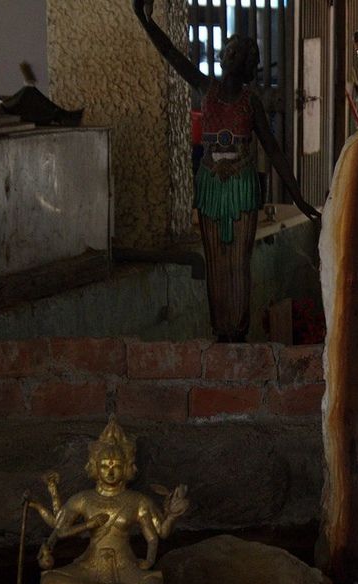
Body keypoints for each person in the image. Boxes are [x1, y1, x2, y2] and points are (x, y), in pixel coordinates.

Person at [134, 0, 320, 342]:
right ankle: (221, 330)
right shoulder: (207, 89)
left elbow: (274, 151)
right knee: (217, 262)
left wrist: (300, 200)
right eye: (229, 51)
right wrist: (145, 21)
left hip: (241, 186)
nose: (229, 57)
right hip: (210, 184)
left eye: (237, 54)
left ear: (247, 63)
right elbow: (172, 54)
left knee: (237, 262)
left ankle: (237, 331)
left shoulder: (251, 103)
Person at [34, 417, 189, 584]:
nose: (110, 471)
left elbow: (158, 534)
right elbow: (59, 527)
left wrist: (170, 517)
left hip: (126, 567)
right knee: (49, 581)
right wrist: (47, 548)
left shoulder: (137, 501)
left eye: (116, 465)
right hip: (90, 567)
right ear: (95, 467)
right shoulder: (83, 499)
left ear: (127, 467)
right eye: (105, 465)